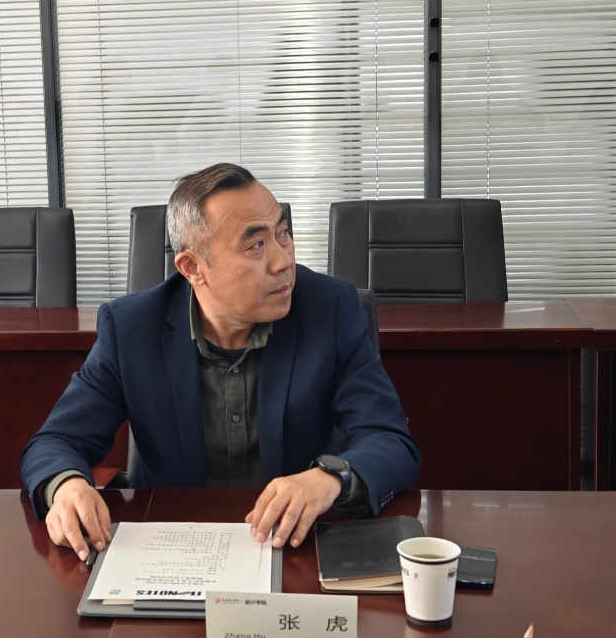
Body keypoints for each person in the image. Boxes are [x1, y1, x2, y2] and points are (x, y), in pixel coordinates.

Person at [21, 163, 419, 561]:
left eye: (282, 233)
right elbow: (55, 442)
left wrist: (328, 479)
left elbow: (391, 441)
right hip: (171, 549)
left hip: (295, 548)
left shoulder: (329, 309)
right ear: (192, 268)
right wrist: (67, 486)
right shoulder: (131, 329)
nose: (283, 261)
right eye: (256, 245)